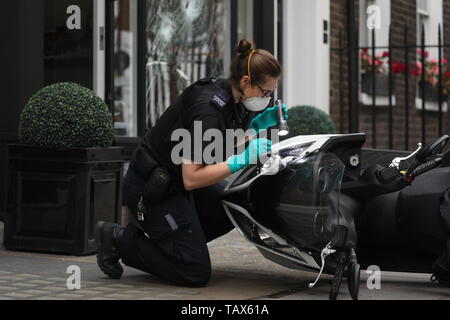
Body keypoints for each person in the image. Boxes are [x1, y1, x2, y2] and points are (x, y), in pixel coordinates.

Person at [95, 39, 287, 287]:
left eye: (272, 94)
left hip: (176, 183)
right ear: (246, 81)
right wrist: (242, 160)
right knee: (194, 271)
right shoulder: (208, 109)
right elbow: (191, 178)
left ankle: (180, 245)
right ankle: (119, 239)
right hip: (154, 187)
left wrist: (255, 128)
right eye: (265, 92)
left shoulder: (237, 100)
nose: (268, 99)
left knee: (234, 205)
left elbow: (217, 145)